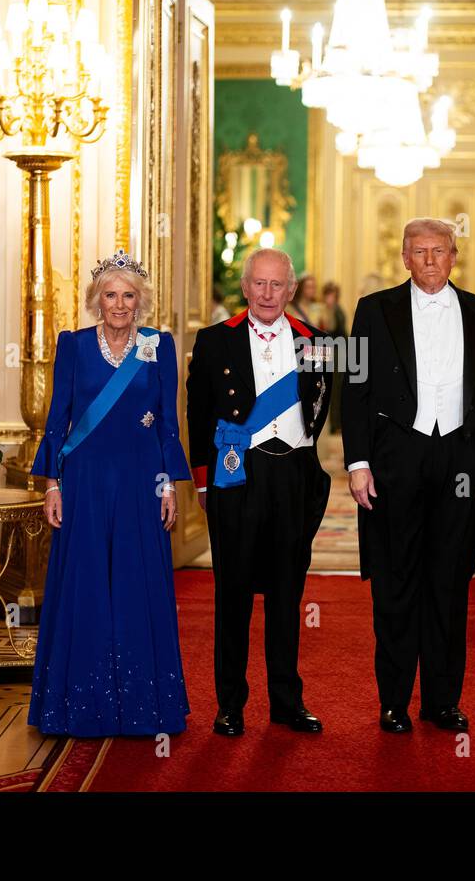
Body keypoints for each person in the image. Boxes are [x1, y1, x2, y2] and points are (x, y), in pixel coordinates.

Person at [342, 218, 475, 734]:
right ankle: (393, 702)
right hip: (395, 460)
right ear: (405, 259)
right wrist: (357, 461)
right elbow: (355, 388)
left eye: (439, 250)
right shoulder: (373, 310)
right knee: (395, 584)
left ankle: (441, 701)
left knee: (449, 584)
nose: (430, 260)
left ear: (455, 255)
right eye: (420, 252)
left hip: (460, 460)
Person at [29, 249, 191, 737]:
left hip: (142, 481)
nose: (119, 304)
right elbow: (58, 421)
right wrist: (53, 485)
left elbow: (167, 424)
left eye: (129, 296)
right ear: (95, 300)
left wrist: (168, 487)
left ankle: (145, 707)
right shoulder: (74, 345)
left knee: (137, 584)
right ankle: (80, 706)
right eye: (110, 295)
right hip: (86, 482)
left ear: (141, 302)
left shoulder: (157, 346)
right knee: (86, 584)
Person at [186, 248, 332, 737]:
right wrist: (204, 478)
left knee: (288, 594)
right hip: (236, 475)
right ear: (245, 288)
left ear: (291, 290)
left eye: (278, 285)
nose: (268, 294)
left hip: (292, 474)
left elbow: (322, 406)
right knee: (232, 596)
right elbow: (199, 414)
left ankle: (287, 702)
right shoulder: (213, 341)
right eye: (260, 284)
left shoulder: (319, 342)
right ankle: (230, 705)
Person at [321, 282, 347, 435]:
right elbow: (329, 329)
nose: (331, 296)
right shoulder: (324, 310)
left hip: (341, 350)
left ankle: (337, 423)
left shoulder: (338, 308)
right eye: (329, 293)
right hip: (331, 350)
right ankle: (332, 423)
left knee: (339, 388)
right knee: (331, 388)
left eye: (334, 293)